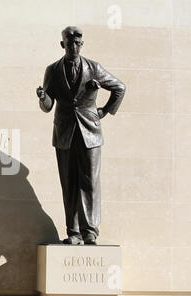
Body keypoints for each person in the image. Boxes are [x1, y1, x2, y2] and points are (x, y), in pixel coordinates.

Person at [36, 26, 126, 245]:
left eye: (77, 43)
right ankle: (73, 233)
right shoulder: (53, 70)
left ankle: (90, 232)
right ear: (63, 45)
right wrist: (42, 97)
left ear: (82, 45)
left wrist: (105, 111)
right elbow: (48, 106)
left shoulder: (93, 68)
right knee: (69, 183)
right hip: (65, 133)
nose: (74, 47)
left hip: (90, 133)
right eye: (70, 43)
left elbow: (119, 88)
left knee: (90, 182)